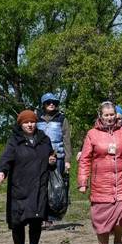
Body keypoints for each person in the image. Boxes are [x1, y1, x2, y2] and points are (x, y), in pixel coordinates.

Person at [78, 101, 122, 244]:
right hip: (101, 184)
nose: (110, 118)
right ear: (100, 116)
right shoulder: (92, 134)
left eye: (112, 115)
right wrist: (83, 181)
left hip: (121, 181)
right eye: (106, 115)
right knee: (101, 220)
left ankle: (118, 239)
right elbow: (84, 159)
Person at [0, 110, 56, 244]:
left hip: (39, 186)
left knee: (36, 220)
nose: (30, 125)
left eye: (32, 122)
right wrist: (2, 171)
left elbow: (51, 158)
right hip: (19, 188)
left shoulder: (44, 139)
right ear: (20, 124)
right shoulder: (15, 141)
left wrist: (52, 161)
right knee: (17, 223)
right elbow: (6, 158)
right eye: (26, 122)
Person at [37, 93, 72, 226]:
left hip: (58, 158)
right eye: (48, 102)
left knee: (55, 187)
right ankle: (40, 215)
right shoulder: (37, 118)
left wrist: (68, 160)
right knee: (41, 186)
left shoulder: (62, 119)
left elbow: (66, 140)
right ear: (44, 104)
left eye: (54, 102)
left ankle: (50, 217)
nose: (51, 104)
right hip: (40, 158)